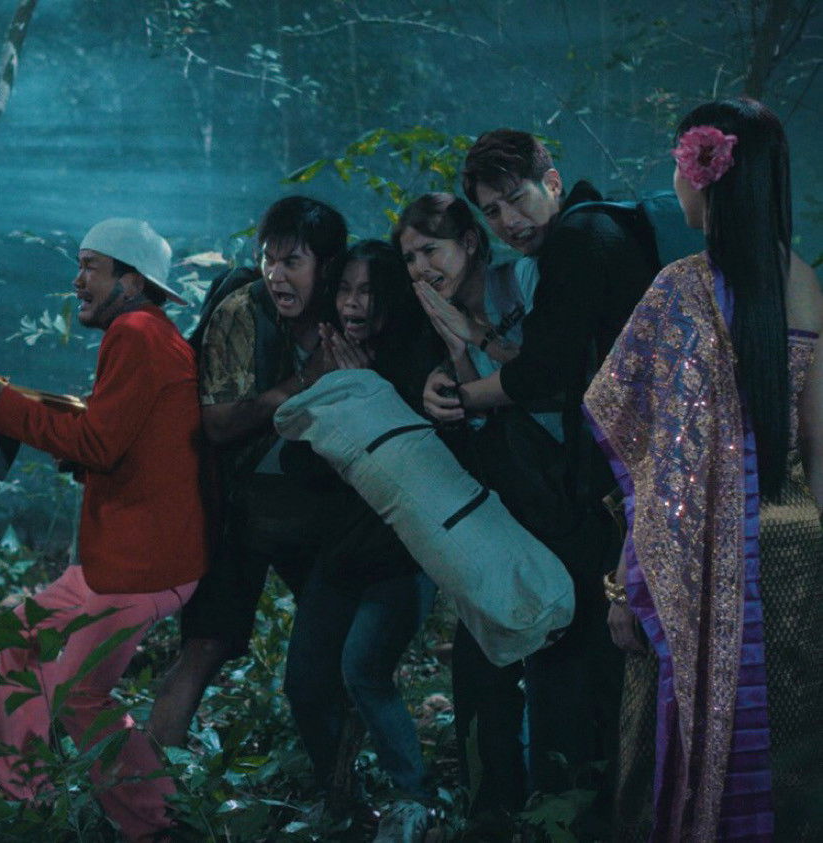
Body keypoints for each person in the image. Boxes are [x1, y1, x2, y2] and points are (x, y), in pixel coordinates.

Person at [586, 97, 823, 841]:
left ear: (704, 172)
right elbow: (818, 446)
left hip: (694, 565)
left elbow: (656, 466)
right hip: (793, 550)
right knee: (789, 752)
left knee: (678, 742)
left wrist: (625, 581)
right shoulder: (803, 281)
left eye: (676, 161)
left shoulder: (677, 292)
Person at [0, 217, 205, 841]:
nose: (77, 280)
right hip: (117, 558)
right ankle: (25, 797)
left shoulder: (137, 333)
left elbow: (98, 443)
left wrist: (5, 407)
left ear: (132, 280)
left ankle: (158, 824)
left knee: (79, 696)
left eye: (90, 266)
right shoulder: (148, 333)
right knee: (20, 637)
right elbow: (122, 442)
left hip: (143, 564)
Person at [424, 129, 641, 810]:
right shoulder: (597, 231)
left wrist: (463, 397)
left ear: (552, 182)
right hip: (623, 474)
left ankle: (583, 805)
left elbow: (545, 372)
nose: (509, 221)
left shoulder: (578, 238)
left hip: (626, 479)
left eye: (516, 198)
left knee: (593, 652)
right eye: (492, 210)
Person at [145, 197, 346, 757]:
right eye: (268, 259)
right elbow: (218, 424)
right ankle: (144, 786)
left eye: (292, 262)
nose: (275, 275)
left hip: (321, 505)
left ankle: (339, 784)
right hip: (236, 502)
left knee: (339, 649)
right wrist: (300, 383)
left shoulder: (350, 306)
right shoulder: (242, 311)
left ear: (327, 265)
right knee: (205, 646)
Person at [280, 240, 439, 840]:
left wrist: (364, 388)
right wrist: (331, 387)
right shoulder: (331, 360)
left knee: (363, 669)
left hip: (402, 549)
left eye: (367, 291)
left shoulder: (419, 360)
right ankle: (341, 796)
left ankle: (413, 798)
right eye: (345, 290)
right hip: (341, 549)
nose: (353, 303)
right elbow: (301, 464)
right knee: (304, 681)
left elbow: (415, 460)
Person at [391, 193, 541, 823]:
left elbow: (544, 373)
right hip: (499, 503)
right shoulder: (437, 315)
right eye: (410, 259)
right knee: (483, 661)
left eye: (431, 250)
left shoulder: (521, 281)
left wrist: (471, 343)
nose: (421, 268)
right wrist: (444, 375)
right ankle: (492, 808)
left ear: (471, 243)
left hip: (558, 489)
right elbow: (472, 420)